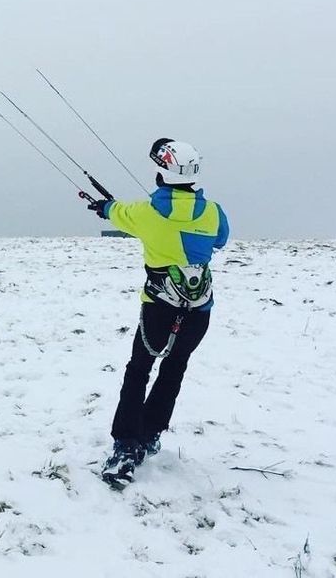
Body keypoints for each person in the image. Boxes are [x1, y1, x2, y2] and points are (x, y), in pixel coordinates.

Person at [88, 138, 229, 488]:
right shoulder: (214, 212)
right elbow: (220, 239)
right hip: (199, 310)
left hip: (158, 308)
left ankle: (125, 444)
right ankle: (150, 434)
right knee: (175, 366)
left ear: (161, 173)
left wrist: (103, 207)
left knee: (139, 369)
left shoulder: (146, 213)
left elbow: (114, 212)